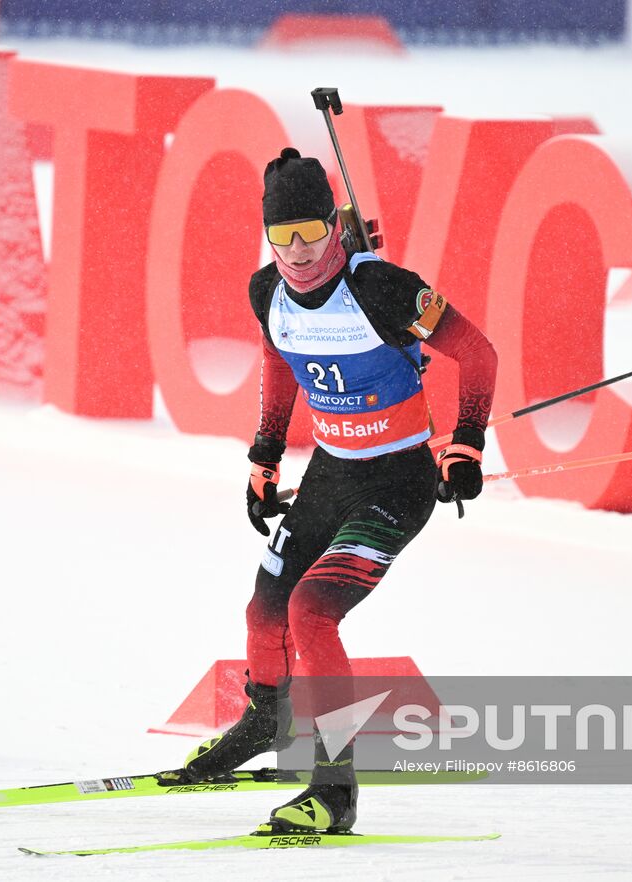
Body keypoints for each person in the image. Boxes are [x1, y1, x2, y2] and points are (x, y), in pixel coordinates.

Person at [157, 148, 498, 834]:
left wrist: (465, 443)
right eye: (283, 238)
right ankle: (262, 722)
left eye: (312, 233)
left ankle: (335, 792)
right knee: (265, 610)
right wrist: (264, 457)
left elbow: (478, 353)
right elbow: (280, 361)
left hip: (397, 482)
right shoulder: (266, 291)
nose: (300, 252)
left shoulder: (383, 288)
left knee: (313, 611)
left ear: (336, 227)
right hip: (330, 474)